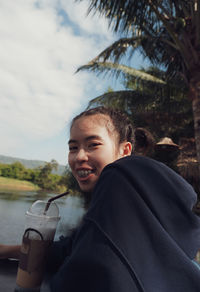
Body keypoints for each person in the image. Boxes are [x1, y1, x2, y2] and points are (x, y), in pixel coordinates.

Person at [1, 106, 200, 292]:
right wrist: (6, 250)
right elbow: (72, 247)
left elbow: (88, 271)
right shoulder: (125, 208)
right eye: (73, 147)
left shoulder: (118, 174)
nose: (79, 156)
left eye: (93, 145)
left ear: (125, 150)